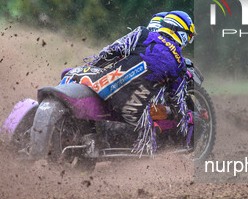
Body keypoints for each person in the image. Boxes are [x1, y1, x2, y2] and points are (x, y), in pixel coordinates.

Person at [61, 11, 195, 154]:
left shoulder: (143, 33)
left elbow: (111, 51)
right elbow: (177, 102)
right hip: (132, 110)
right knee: (151, 140)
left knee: (69, 73)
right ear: (181, 34)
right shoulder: (179, 64)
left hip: (103, 86)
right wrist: (185, 118)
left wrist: (94, 67)